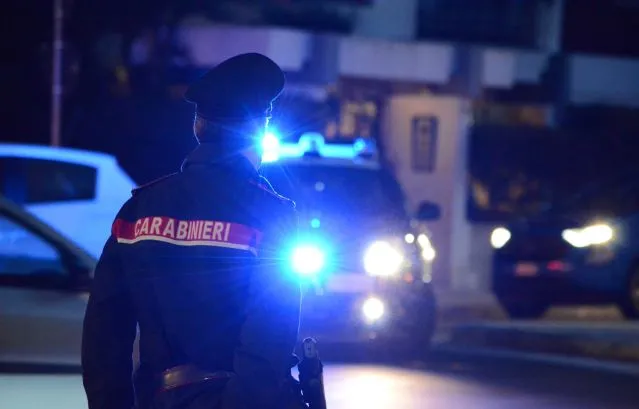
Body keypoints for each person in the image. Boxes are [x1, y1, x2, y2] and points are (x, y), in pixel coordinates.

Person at [81, 53, 305, 409]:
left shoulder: (138, 211)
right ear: (260, 129)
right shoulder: (271, 215)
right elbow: (268, 339)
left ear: (198, 126)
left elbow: (104, 333)